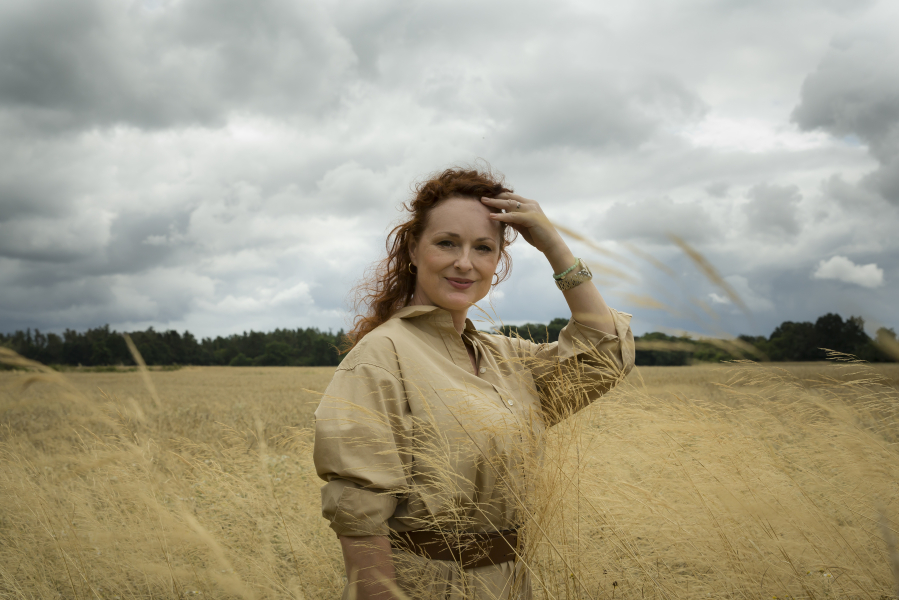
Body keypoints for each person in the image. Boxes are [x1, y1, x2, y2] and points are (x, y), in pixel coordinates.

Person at [313, 166, 635, 600]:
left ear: (497, 262)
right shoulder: (381, 358)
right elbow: (359, 513)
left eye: (483, 248)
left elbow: (606, 354)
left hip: (511, 583)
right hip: (430, 585)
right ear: (413, 248)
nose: (465, 262)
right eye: (447, 243)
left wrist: (554, 246)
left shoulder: (504, 357)